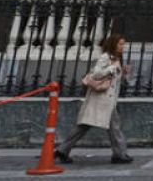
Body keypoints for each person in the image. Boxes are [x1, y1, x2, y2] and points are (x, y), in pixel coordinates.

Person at [55, 32, 132, 165]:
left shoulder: (117, 58)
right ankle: (119, 154)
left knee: (87, 126)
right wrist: (111, 69)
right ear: (113, 44)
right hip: (101, 100)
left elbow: (116, 81)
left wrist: (123, 74)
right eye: (120, 44)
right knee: (110, 127)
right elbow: (96, 74)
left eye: (123, 44)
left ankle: (62, 150)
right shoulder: (105, 57)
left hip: (107, 100)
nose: (122, 47)